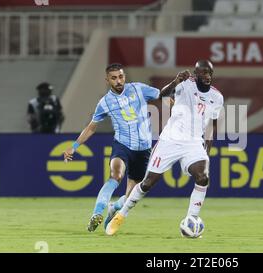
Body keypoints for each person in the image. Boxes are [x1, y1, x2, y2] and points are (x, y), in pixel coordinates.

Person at [63, 63, 190, 232]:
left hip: (144, 149)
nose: (118, 81)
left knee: (133, 195)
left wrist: (176, 106)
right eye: (114, 78)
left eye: (121, 77)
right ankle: (97, 213)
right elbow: (91, 127)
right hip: (122, 145)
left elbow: (162, 96)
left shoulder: (138, 89)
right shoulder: (105, 102)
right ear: (107, 80)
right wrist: (74, 146)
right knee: (116, 175)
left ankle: (114, 207)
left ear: (124, 77)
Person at [105, 60, 223, 236]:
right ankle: (121, 215)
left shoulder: (217, 97)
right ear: (196, 74)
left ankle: (191, 219)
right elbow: (163, 94)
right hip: (170, 139)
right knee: (147, 183)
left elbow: (212, 126)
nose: (207, 76)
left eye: (210, 73)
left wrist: (207, 151)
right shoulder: (185, 84)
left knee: (203, 176)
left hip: (193, 143)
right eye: (203, 73)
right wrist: (175, 81)